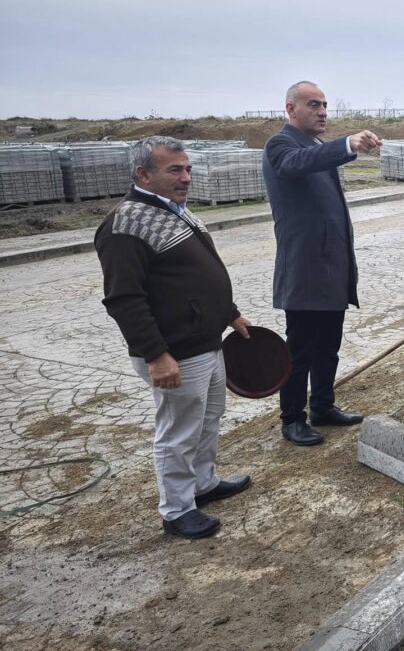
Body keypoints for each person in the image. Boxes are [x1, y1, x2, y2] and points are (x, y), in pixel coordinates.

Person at [95, 136, 253, 539]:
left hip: (207, 342)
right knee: (179, 430)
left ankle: (204, 484)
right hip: (175, 352)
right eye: (174, 170)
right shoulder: (125, 225)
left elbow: (194, 277)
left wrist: (230, 314)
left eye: (187, 169)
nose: (185, 178)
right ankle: (177, 509)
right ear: (143, 174)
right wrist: (155, 354)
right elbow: (124, 299)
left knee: (208, 420)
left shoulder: (177, 211)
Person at [263, 81, 381, 446]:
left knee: (329, 345)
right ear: (290, 109)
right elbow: (297, 165)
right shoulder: (281, 145)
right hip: (305, 270)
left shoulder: (314, 146)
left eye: (325, 105)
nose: (323, 112)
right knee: (300, 350)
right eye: (313, 104)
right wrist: (346, 144)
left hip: (331, 267)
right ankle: (292, 418)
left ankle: (323, 406)